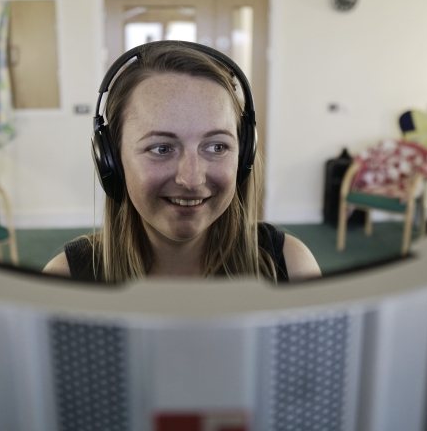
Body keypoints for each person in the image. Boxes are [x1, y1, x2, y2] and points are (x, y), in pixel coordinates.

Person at [44, 40, 320, 282]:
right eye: (162, 148)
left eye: (216, 146)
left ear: (244, 154)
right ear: (112, 160)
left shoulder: (291, 266)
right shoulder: (64, 281)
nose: (191, 179)